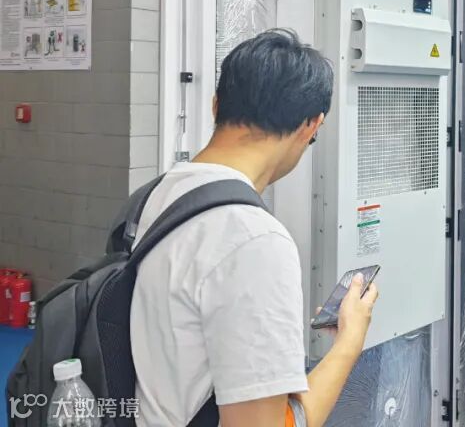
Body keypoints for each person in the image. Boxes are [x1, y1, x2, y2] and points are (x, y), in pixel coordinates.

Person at [130, 29, 379, 427]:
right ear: (311, 126)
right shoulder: (255, 240)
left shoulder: (156, 196)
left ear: (216, 105)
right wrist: (350, 341)